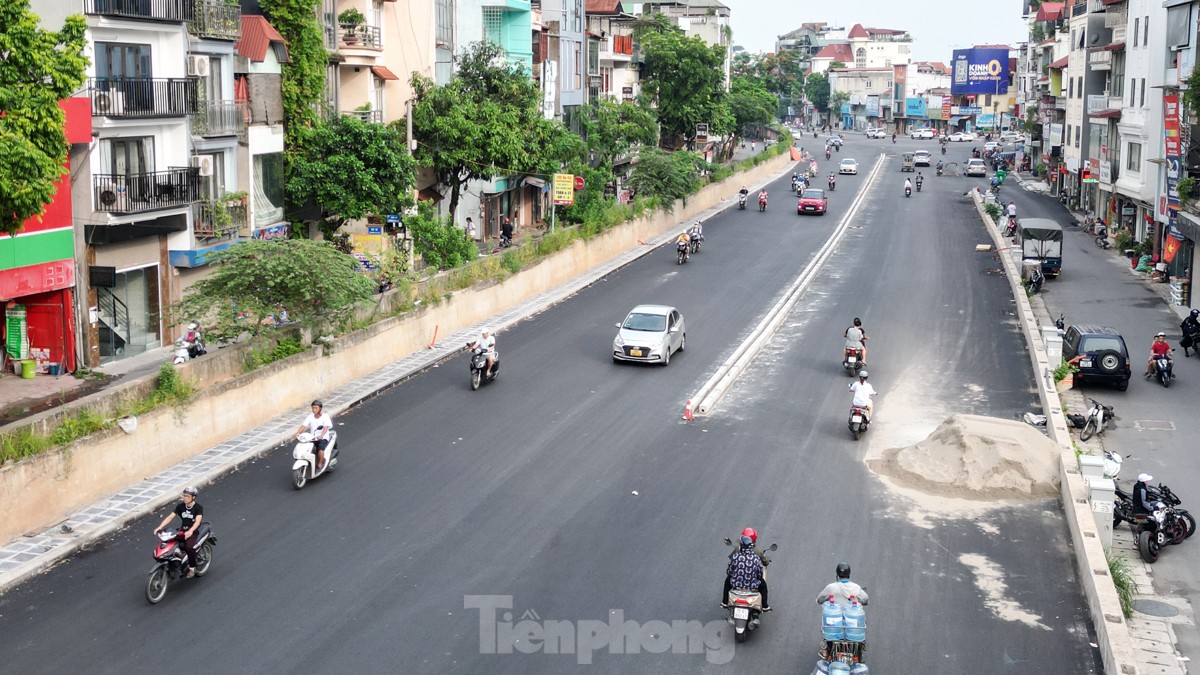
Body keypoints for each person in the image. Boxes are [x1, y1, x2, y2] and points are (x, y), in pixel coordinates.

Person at [816, 562, 869, 659]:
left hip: (836, 626)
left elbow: (820, 599)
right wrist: (861, 602)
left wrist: (822, 601)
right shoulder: (856, 588)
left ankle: (825, 651)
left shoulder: (831, 587)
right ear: (849, 574)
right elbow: (865, 599)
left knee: (826, 624)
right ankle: (859, 650)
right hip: (853, 629)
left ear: (837, 574)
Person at [153, 486, 204, 578]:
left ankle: (192, 568)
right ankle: (177, 559)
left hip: (192, 531)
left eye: (187, 496)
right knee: (169, 541)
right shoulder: (180, 506)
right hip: (182, 530)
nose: (185, 498)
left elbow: (197, 522)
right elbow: (170, 517)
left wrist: (191, 531)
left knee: (189, 547)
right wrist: (159, 527)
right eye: (184, 495)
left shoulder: (198, 508)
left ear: (193, 497)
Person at [722, 530, 769, 611]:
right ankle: (765, 606)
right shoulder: (756, 558)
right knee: (763, 587)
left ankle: (724, 602)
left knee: (727, 582)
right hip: (752, 585)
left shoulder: (736, 556)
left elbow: (730, 569)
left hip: (736, 584)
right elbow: (759, 573)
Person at [294, 400, 333, 471]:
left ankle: (320, 463)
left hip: (322, 438)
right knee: (307, 449)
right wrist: (297, 433)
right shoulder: (310, 417)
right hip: (312, 438)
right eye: (312, 408)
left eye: (315, 408)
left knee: (320, 449)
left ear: (320, 408)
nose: (314, 410)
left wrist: (321, 435)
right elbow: (304, 426)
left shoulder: (325, 416)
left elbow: (326, 427)